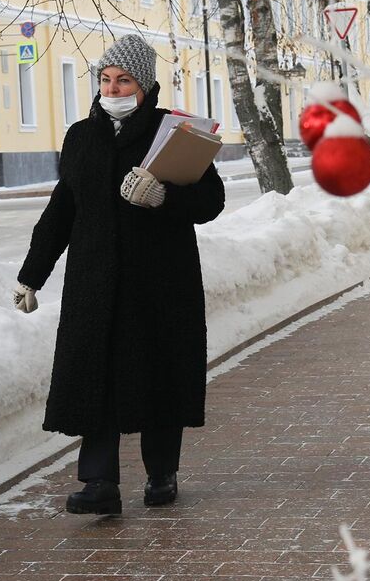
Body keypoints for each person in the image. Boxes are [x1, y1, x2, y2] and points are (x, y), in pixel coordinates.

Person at [13, 34, 226, 515]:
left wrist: (163, 197)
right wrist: (32, 274)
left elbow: (211, 202)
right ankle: (98, 482)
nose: (113, 89)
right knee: (96, 378)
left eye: (123, 80)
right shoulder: (81, 136)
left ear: (145, 85)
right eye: (106, 80)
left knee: (159, 374)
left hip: (159, 283)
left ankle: (161, 474)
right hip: (95, 283)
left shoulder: (176, 133)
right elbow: (61, 210)